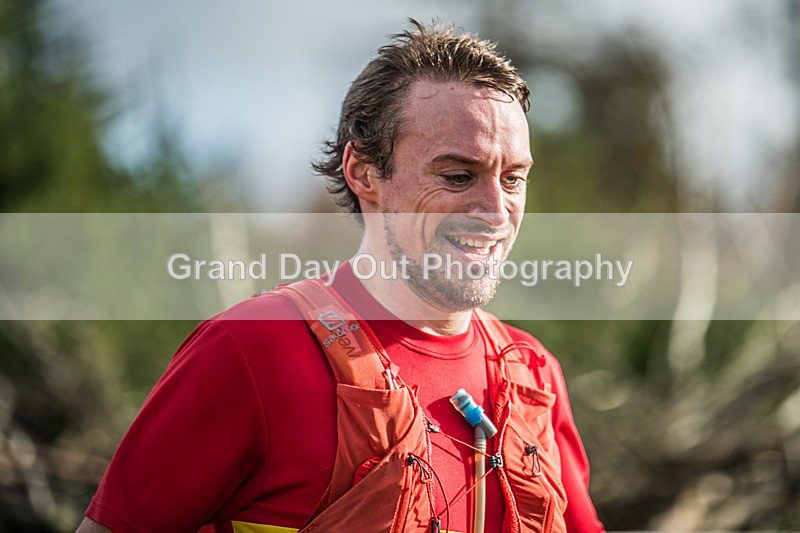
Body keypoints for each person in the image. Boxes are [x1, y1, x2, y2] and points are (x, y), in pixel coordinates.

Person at [77, 20, 605, 533]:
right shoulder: (251, 348)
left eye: (513, 179)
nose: (495, 210)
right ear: (364, 172)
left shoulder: (534, 372)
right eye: (457, 176)